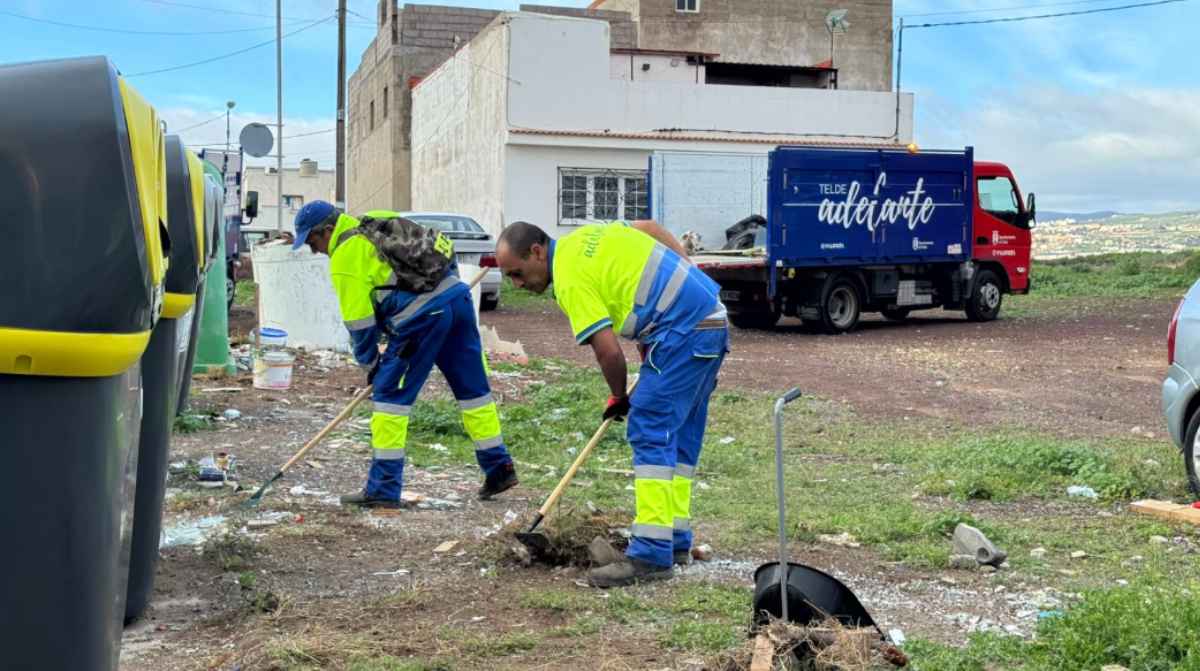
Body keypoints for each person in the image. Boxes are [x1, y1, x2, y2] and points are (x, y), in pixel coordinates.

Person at [495, 219, 728, 587]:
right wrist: (686, 278)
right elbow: (650, 227)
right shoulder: (585, 238)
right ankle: (675, 539)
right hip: (710, 319)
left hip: (682, 331)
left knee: (650, 428)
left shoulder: (568, 276)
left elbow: (608, 352)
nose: (517, 285)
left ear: (537, 252)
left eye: (517, 274)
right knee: (679, 434)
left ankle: (651, 554)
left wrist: (618, 397)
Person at [291, 200, 518, 508]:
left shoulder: (344, 255)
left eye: (313, 241)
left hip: (422, 319)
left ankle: (383, 489)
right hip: (458, 300)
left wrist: (372, 365)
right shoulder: (378, 220)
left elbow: (360, 325)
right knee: (474, 393)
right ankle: (499, 468)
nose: (314, 250)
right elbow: (435, 246)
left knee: (389, 399)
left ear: (328, 229)